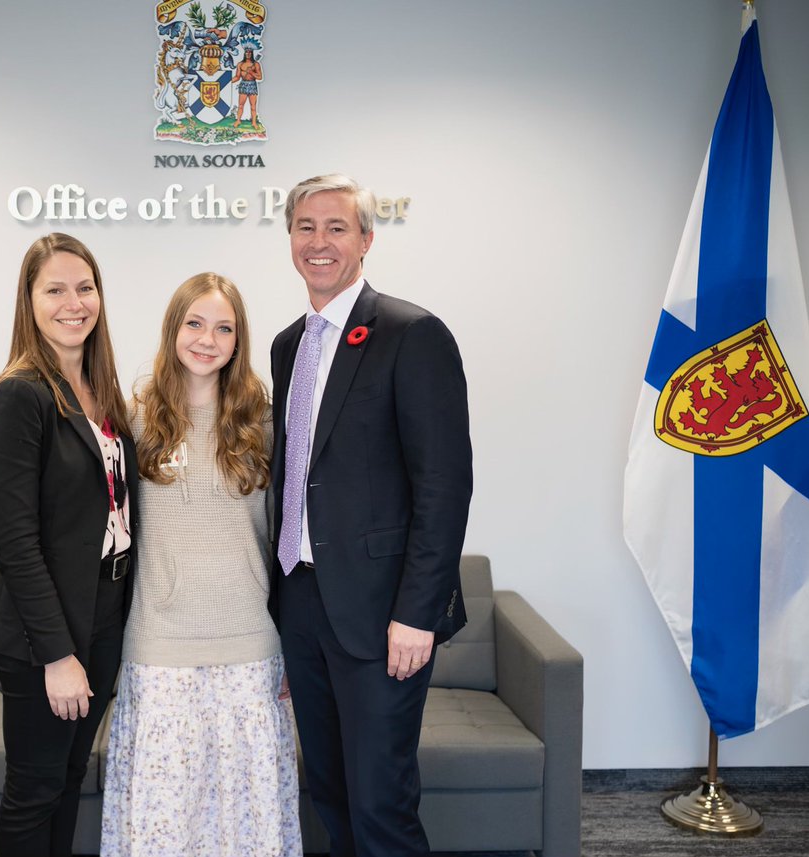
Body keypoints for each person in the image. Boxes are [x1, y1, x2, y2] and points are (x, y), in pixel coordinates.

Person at [269, 175, 472, 857]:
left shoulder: (412, 334)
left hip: (383, 613)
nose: (319, 241)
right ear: (290, 238)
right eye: (305, 226)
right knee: (329, 795)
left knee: (380, 804)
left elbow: (444, 486)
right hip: (302, 601)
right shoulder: (287, 346)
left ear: (365, 240)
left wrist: (417, 613)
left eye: (336, 227)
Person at [101, 273, 302, 857]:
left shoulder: (264, 425)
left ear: (239, 340)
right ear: (173, 328)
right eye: (195, 323)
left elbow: (286, 542)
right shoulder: (133, 423)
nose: (207, 340)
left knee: (248, 828)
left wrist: (296, 644)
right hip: (159, 653)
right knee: (165, 828)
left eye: (224, 328)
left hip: (250, 652)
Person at [0, 233, 138, 857]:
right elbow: (16, 542)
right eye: (55, 290)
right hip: (44, 636)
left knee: (69, 779)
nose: (74, 303)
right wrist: (57, 656)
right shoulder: (19, 395)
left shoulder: (100, 391)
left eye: (85, 287)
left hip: (103, 615)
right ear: (30, 301)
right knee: (35, 789)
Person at [231, 47, 262, 128]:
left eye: (249, 52)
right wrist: (229, 82)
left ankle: (254, 122)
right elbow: (237, 77)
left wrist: (251, 72)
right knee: (241, 105)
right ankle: (238, 120)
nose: (248, 54)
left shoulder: (256, 64)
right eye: (246, 52)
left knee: (253, 106)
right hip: (243, 85)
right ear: (244, 53)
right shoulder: (240, 64)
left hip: (252, 85)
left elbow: (259, 77)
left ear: (252, 53)